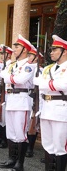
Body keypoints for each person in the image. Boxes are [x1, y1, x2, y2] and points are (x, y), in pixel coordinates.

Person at [0, 35, 36, 171]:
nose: (14, 50)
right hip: (11, 100)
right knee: (11, 132)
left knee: (21, 133)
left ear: (25, 50)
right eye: (14, 47)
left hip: (22, 101)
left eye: (17, 47)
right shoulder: (12, 65)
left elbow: (20, 79)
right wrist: (10, 77)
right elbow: (4, 76)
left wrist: (8, 77)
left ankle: (20, 163)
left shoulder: (30, 66)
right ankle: (11, 159)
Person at [36, 35, 67, 171]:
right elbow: (41, 89)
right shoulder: (48, 68)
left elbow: (64, 85)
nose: (51, 52)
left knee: (60, 146)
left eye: (55, 49)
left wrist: (44, 83)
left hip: (61, 110)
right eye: (51, 49)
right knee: (48, 144)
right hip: (47, 109)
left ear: (64, 51)